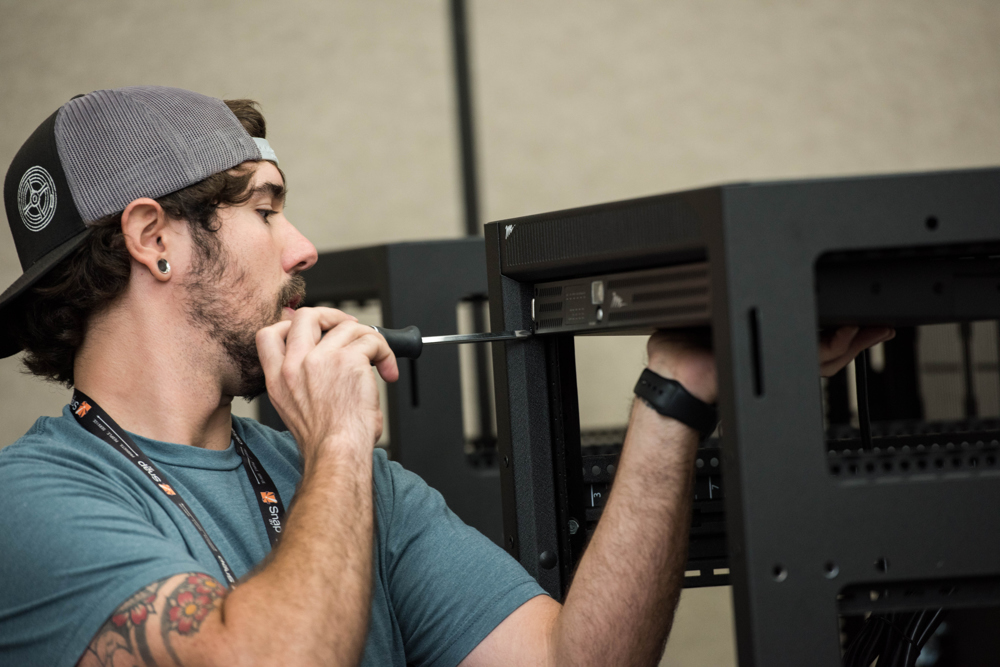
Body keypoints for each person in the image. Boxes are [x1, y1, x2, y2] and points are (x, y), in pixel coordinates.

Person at [0, 86, 891, 667]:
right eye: (266, 209)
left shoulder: (340, 478)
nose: (303, 247)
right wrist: (340, 439)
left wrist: (676, 393)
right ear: (154, 238)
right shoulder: (31, 506)